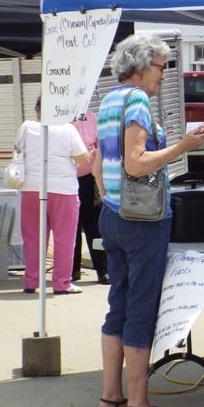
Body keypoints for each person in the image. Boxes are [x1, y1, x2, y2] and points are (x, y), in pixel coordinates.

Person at [94, 34, 204, 407]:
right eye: (162, 66)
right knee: (142, 309)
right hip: (142, 221)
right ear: (142, 67)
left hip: (113, 215)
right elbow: (136, 162)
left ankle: (111, 396)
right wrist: (183, 146)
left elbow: (98, 165)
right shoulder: (138, 101)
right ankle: (139, 403)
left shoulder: (109, 100)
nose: (164, 74)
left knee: (119, 305)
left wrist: (109, 198)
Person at [16, 97, 90, 295]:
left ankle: (31, 281)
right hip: (63, 189)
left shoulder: (26, 127)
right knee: (64, 238)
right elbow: (83, 157)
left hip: (31, 187)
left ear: (37, 109)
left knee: (33, 237)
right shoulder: (68, 129)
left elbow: (17, 150)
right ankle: (61, 283)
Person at [71, 108, 109, 284]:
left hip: (89, 176)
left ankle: (102, 270)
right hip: (65, 177)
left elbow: (100, 144)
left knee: (93, 224)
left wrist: (97, 157)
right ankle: (72, 270)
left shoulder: (92, 117)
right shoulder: (59, 116)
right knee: (71, 226)